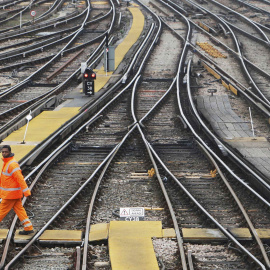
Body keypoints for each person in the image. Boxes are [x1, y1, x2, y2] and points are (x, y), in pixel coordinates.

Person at [0, 145, 34, 235]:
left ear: (10, 152)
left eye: (5, 152)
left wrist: (26, 190)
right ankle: (28, 227)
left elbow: (20, 178)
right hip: (12, 194)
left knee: (1, 211)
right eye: (2, 152)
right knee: (20, 210)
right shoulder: (7, 162)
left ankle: (28, 227)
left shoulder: (12, 164)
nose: (4, 153)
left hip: (10, 195)